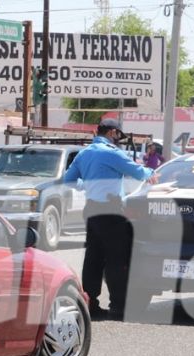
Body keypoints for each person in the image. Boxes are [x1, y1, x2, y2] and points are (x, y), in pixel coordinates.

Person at [63, 118, 157, 319]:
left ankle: (90, 305)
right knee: (117, 259)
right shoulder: (112, 153)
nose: (118, 139)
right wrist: (153, 172)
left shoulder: (84, 153)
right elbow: (139, 173)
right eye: (118, 135)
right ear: (112, 132)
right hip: (111, 210)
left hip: (91, 209)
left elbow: (68, 180)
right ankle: (118, 307)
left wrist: (87, 186)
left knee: (93, 259)